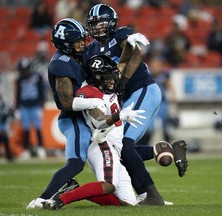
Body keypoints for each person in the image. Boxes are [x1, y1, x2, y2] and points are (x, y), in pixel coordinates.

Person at [84, 4, 188, 205]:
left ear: (111, 23)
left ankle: (152, 195)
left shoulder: (120, 34)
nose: (97, 28)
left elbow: (136, 52)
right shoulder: (92, 49)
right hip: (129, 98)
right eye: (93, 24)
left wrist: (122, 83)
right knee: (118, 146)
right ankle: (166, 153)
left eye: (101, 23)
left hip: (143, 89)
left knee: (123, 144)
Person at [42, 54, 146, 210]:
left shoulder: (106, 85)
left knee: (127, 203)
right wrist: (119, 115)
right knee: (108, 185)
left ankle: (74, 189)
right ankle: (61, 200)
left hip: (114, 148)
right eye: (107, 78)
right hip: (103, 143)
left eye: (112, 76)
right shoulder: (89, 93)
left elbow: (124, 63)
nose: (112, 80)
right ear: (96, 78)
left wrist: (131, 46)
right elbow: (100, 120)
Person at [26, 18, 105, 209]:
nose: (82, 44)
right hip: (74, 119)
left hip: (87, 117)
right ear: (65, 44)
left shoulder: (80, 55)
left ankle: (68, 186)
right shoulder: (61, 64)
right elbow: (66, 102)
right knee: (76, 164)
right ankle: (42, 199)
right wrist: (94, 101)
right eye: (77, 41)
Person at [15, 57, 46, 160]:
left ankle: (41, 148)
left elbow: (41, 92)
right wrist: (17, 108)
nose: (25, 72)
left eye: (26, 69)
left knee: (38, 128)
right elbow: (18, 94)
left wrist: (41, 106)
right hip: (24, 107)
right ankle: (26, 150)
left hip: (35, 106)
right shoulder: (20, 80)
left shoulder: (37, 77)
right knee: (26, 129)